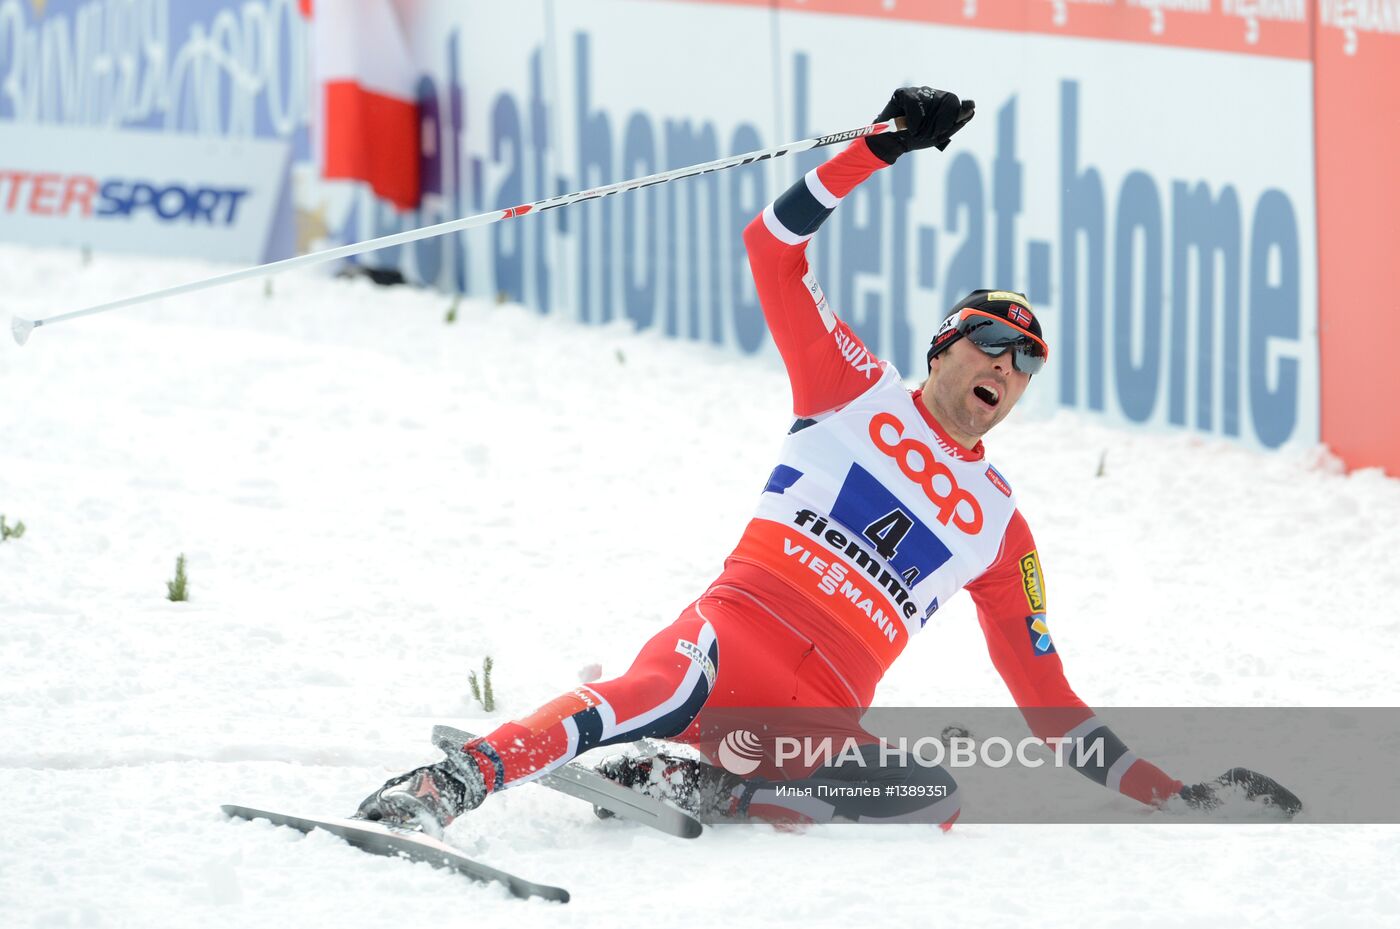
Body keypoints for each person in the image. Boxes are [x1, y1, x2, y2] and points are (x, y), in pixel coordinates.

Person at [355, 87, 1289, 835]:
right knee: (642, 691)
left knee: (934, 795)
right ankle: (451, 782)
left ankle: (715, 786)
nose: (1006, 365)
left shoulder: (1001, 527)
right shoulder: (852, 386)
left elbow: (1046, 697)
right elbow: (772, 246)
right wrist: (875, 148)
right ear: (941, 347)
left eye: (1027, 360)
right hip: (731, 640)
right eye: (991, 341)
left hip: (816, 719)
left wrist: (1172, 791)